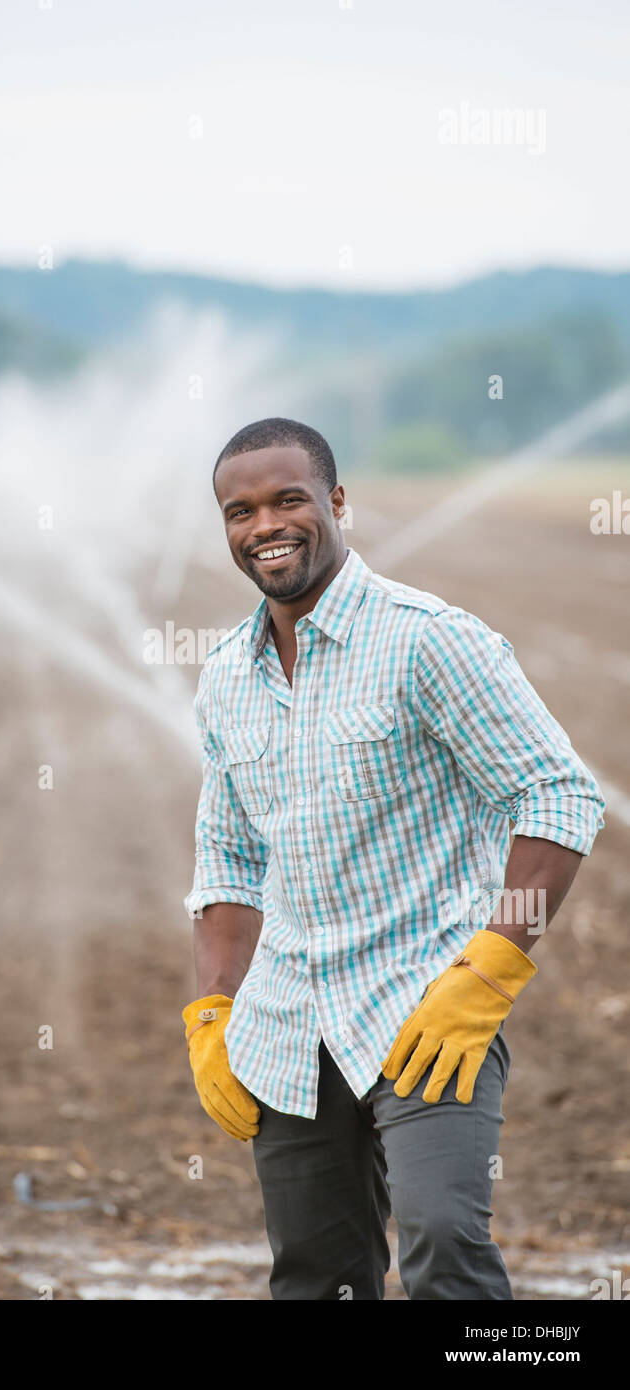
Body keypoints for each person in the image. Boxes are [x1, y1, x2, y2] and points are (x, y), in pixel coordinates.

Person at [181, 417, 606, 1301]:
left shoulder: (429, 639)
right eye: (240, 511)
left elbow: (557, 794)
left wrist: (489, 968)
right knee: (316, 1278)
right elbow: (226, 857)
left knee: (444, 1241)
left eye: (288, 500)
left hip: (425, 1010)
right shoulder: (225, 673)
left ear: (336, 503)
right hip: (286, 1027)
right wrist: (212, 1009)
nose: (265, 526)